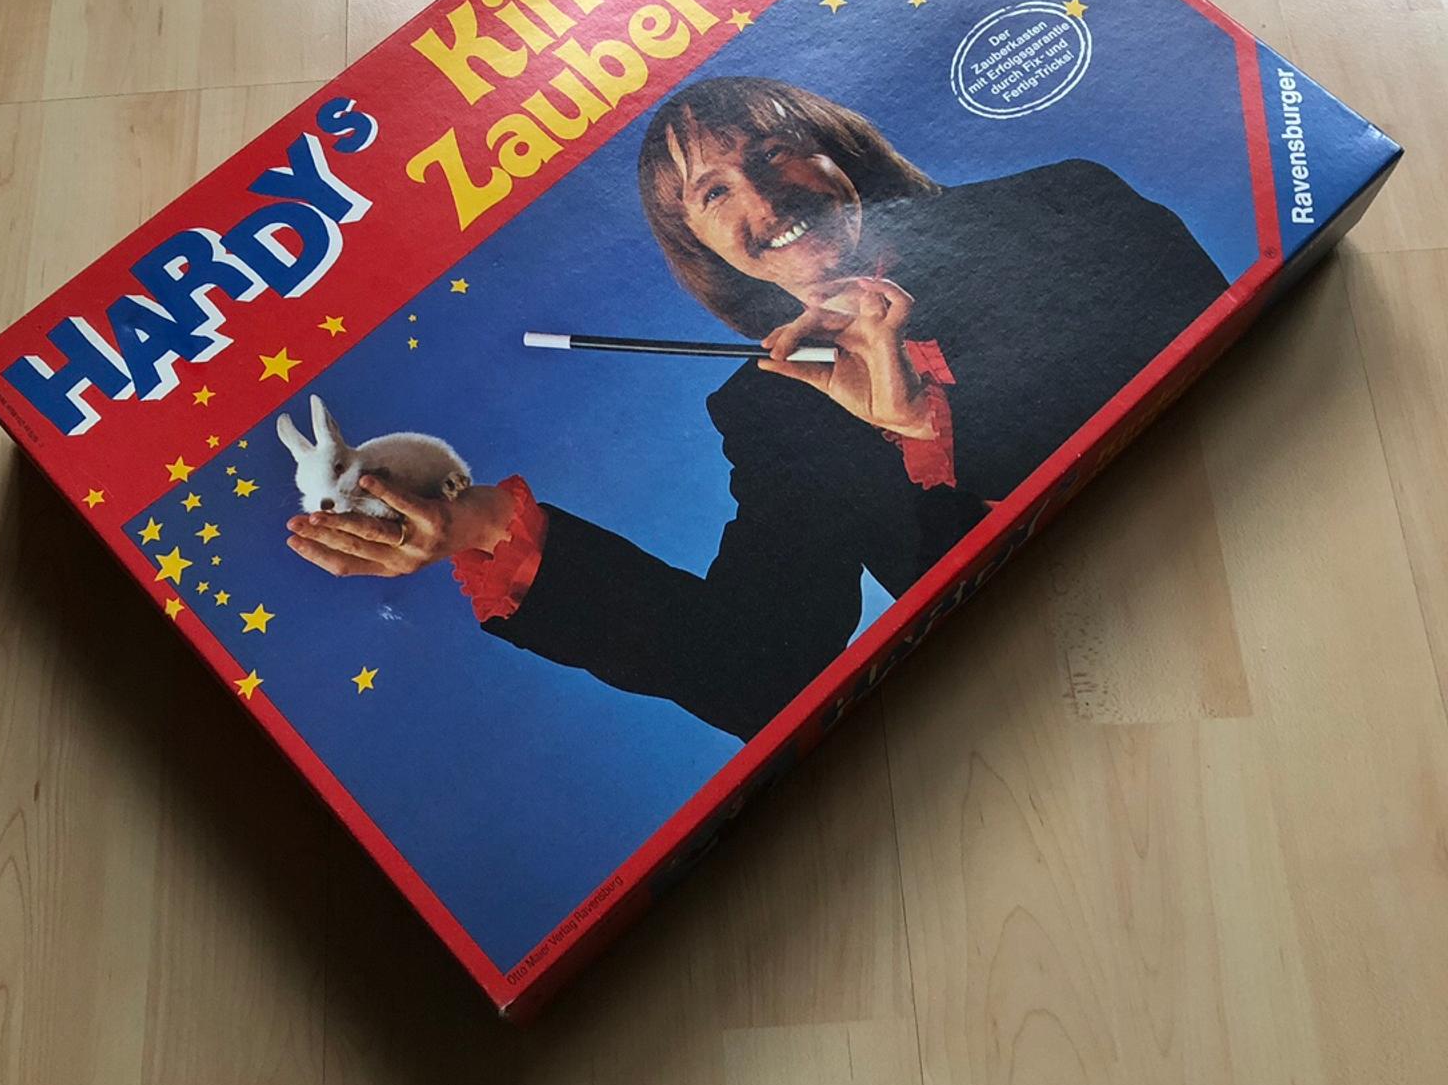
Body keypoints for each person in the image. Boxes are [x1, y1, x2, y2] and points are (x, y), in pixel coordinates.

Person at [288, 77, 1227, 740]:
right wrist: (486, 526)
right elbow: (760, 671)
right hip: (1050, 692)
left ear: (839, 154)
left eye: (775, 153)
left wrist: (923, 424)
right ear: (702, 245)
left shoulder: (1059, 206)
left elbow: (1195, 362)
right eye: (714, 192)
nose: (765, 197)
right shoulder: (772, 409)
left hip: (1219, 528)